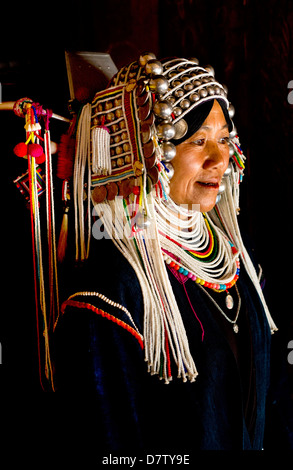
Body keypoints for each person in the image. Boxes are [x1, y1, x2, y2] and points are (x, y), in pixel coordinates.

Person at [54, 53, 281, 452]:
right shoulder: (112, 294)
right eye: (197, 141)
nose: (219, 159)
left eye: (224, 139)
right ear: (148, 152)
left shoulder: (240, 265)